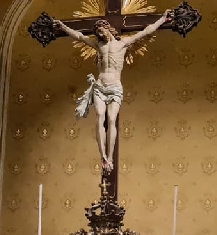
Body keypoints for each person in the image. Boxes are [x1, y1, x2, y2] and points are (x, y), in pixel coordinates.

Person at [55, 11, 174, 173]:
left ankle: (110, 156)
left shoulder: (122, 44)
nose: (99, 34)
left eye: (101, 31)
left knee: (111, 119)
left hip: (115, 87)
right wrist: (63, 27)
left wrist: (162, 20)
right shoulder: (99, 45)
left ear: (108, 29)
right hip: (100, 86)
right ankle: (103, 155)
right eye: (97, 33)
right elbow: (80, 37)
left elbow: (146, 31)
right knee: (99, 117)